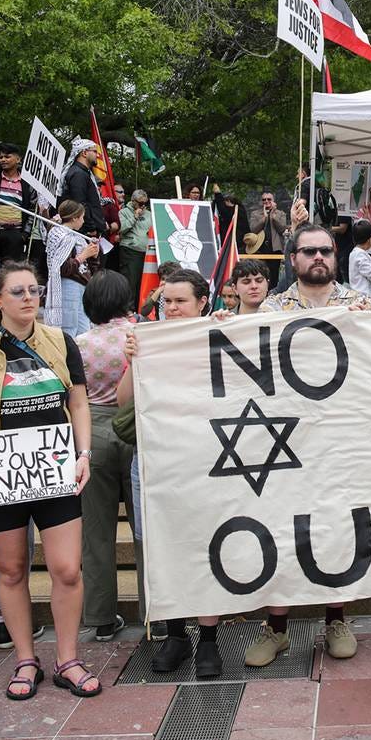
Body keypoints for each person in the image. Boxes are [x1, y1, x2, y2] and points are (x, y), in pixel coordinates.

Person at [0, 260, 100, 700]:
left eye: (34, 290)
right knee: (11, 570)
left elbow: (80, 403)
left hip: (54, 468)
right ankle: (25, 659)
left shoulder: (60, 341)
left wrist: (83, 453)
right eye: (18, 292)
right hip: (1, 473)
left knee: (67, 569)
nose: (29, 298)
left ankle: (68, 658)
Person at [246, 225, 371, 668]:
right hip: (288, 438)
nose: (318, 257)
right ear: (292, 258)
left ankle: (337, 618)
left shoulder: (363, 306)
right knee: (284, 529)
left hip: (344, 439)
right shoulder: (270, 308)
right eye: (309, 251)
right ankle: (277, 628)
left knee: (338, 528)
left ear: (336, 256)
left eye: (326, 250)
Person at [121, 270, 226, 677]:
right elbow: (122, 400)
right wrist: (134, 360)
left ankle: (210, 641)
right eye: (167, 302)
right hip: (156, 462)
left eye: (180, 301)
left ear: (203, 302)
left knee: (207, 546)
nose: (173, 309)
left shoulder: (222, 335)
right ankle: (177, 636)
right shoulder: (148, 341)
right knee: (165, 547)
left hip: (206, 460)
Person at [76, 272, 140, 643]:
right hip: (138, 427)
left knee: (95, 530)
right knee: (146, 528)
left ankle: (100, 617)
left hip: (92, 431)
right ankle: (156, 614)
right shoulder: (142, 335)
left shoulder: (79, 343)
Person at [0, 142, 42, 277]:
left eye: (7, 157)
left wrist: (24, 234)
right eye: (0, 157)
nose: (3, 160)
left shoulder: (28, 182)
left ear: (18, 159)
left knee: (13, 274)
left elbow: (33, 210)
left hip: (16, 235)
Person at [45, 200, 102, 339]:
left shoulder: (78, 237)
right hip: (68, 286)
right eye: (82, 217)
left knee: (84, 330)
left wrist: (94, 256)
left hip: (82, 285)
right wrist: (83, 256)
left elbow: (90, 268)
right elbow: (61, 268)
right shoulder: (61, 235)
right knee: (69, 328)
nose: (83, 221)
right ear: (75, 217)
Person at [61, 140, 106, 240]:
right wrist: (91, 227)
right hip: (85, 232)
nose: (97, 155)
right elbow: (80, 203)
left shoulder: (83, 173)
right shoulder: (78, 174)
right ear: (84, 153)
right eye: (94, 151)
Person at [117, 189, 151, 308]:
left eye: (144, 203)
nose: (142, 206)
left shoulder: (149, 214)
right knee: (130, 282)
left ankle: (141, 309)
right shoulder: (124, 212)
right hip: (130, 250)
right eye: (140, 203)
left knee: (143, 283)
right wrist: (135, 216)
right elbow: (121, 229)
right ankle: (127, 310)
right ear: (133, 201)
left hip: (146, 252)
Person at [249, 191, 288, 284]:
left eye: (269, 199)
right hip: (259, 249)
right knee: (260, 273)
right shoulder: (255, 214)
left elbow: (282, 229)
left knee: (274, 275)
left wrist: (273, 216)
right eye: (264, 200)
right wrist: (264, 218)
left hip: (275, 249)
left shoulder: (280, 214)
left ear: (274, 201)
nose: (266, 201)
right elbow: (253, 230)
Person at [347, 218, 371, 301]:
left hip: (360, 295)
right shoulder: (360, 254)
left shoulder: (356, 253)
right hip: (365, 297)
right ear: (370, 239)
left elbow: (368, 268)